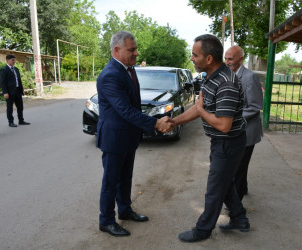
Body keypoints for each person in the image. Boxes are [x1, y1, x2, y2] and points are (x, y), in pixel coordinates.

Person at [173, 34, 250, 243]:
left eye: (195, 55)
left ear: (208, 59)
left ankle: (203, 230)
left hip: (228, 142)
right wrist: (173, 122)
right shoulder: (211, 77)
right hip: (222, 142)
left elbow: (223, 125)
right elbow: (199, 111)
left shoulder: (225, 83)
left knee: (215, 189)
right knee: (224, 183)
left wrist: (200, 110)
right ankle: (239, 219)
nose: (191, 58)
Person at [96, 31, 173, 237]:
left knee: (125, 178)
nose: (136, 53)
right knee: (110, 182)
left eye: (136, 49)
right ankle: (106, 221)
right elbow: (125, 110)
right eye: (132, 50)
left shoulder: (128, 69)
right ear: (116, 50)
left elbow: (133, 106)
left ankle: (125, 210)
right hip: (114, 138)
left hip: (128, 136)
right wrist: (156, 123)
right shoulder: (110, 74)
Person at [224, 46, 263, 200]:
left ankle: (236, 208)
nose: (227, 62)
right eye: (226, 58)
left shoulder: (250, 77)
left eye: (231, 59)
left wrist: (230, 118)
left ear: (241, 59)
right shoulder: (228, 74)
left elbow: (255, 106)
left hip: (246, 131)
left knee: (238, 168)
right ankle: (243, 189)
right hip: (234, 130)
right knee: (240, 165)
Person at [0, 55, 30, 127]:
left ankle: (21, 120)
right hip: (9, 92)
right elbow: (2, 82)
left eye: (14, 60)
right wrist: (5, 92)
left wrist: (22, 90)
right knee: (10, 108)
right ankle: (11, 122)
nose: (14, 62)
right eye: (12, 60)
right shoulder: (4, 69)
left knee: (20, 106)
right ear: (7, 60)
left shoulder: (16, 69)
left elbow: (19, 80)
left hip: (17, 91)